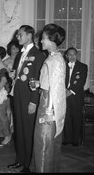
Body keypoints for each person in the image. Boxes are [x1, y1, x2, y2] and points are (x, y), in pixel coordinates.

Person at [7, 25, 46, 173]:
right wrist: (12, 76)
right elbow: (19, 75)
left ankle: (29, 164)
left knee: (28, 131)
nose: (18, 37)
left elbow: (38, 79)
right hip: (17, 96)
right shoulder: (19, 54)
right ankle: (20, 160)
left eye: (20, 34)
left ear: (29, 35)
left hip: (29, 98)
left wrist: (33, 101)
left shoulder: (38, 54)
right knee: (19, 129)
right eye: (17, 35)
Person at [29, 23, 66, 173]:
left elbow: (56, 90)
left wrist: (49, 113)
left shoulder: (56, 60)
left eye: (43, 38)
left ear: (51, 40)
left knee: (44, 144)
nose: (41, 41)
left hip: (48, 106)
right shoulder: (52, 58)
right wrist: (38, 84)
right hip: (44, 102)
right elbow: (49, 83)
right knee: (42, 143)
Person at [62, 47, 88, 146]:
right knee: (66, 117)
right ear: (66, 56)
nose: (72, 57)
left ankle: (75, 140)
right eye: (70, 55)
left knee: (76, 117)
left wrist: (71, 91)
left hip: (76, 95)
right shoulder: (63, 66)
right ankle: (67, 138)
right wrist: (64, 91)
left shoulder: (83, 66)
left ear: (76, 55)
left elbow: (81, 81)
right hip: (64, 95)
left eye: (74, 54)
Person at [3, 40, 21, 135]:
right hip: (8, 88)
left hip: (19, 89)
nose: (16, 50)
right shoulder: (5, 62)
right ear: (10, 49)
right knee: (8, 111)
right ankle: (9, 132)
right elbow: (3, 77)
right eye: (13, 48)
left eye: (17, 48)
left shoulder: (22, 60)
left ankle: (17, 130)